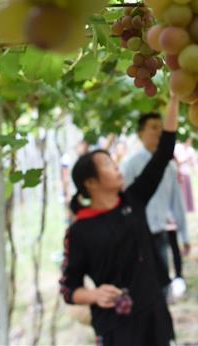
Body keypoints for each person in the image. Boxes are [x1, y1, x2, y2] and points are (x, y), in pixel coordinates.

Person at [59, 96, 180, 345]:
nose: (116, 167)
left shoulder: (132, 201)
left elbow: (164, 152)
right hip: (119, 327)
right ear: (91, 183)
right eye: (107, 164)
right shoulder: (80, 231)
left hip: (153, 312)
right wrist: (93, 294)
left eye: (113, 162)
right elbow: (68, 289)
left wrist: (175, 98)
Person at [122, 113, 190, 298]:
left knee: (162, 286)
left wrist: (185, 235)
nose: (159, 132)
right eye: (153, 127)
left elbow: (177, 203)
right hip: (137, 238)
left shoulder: (169, 167)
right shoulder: (130, 166)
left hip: (160, 233)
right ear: (140, 133)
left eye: (161, 127)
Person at [173, 138, 198, 214]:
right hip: (179, 174)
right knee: (181, 196)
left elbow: (195, 163)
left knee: (187, 197)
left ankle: (184, 212)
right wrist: (185, 159)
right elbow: (176, 162)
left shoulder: (191, 150)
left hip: (187, 174)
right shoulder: (177, 147)